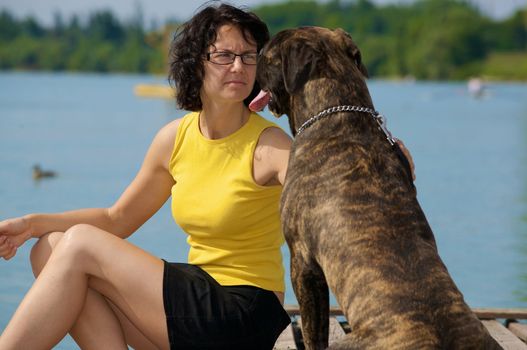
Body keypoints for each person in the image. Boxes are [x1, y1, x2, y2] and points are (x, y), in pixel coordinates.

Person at [0, 3, 292, 349]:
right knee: (48, 249)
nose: (239, 66)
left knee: (78, 244)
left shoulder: (271, 145)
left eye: (249, 56)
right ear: (197, 62)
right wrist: (32, 224)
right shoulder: (175, 139)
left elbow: (327, 209)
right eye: (225, 55)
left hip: (246, 314)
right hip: (195, 304)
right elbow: (117, 218)